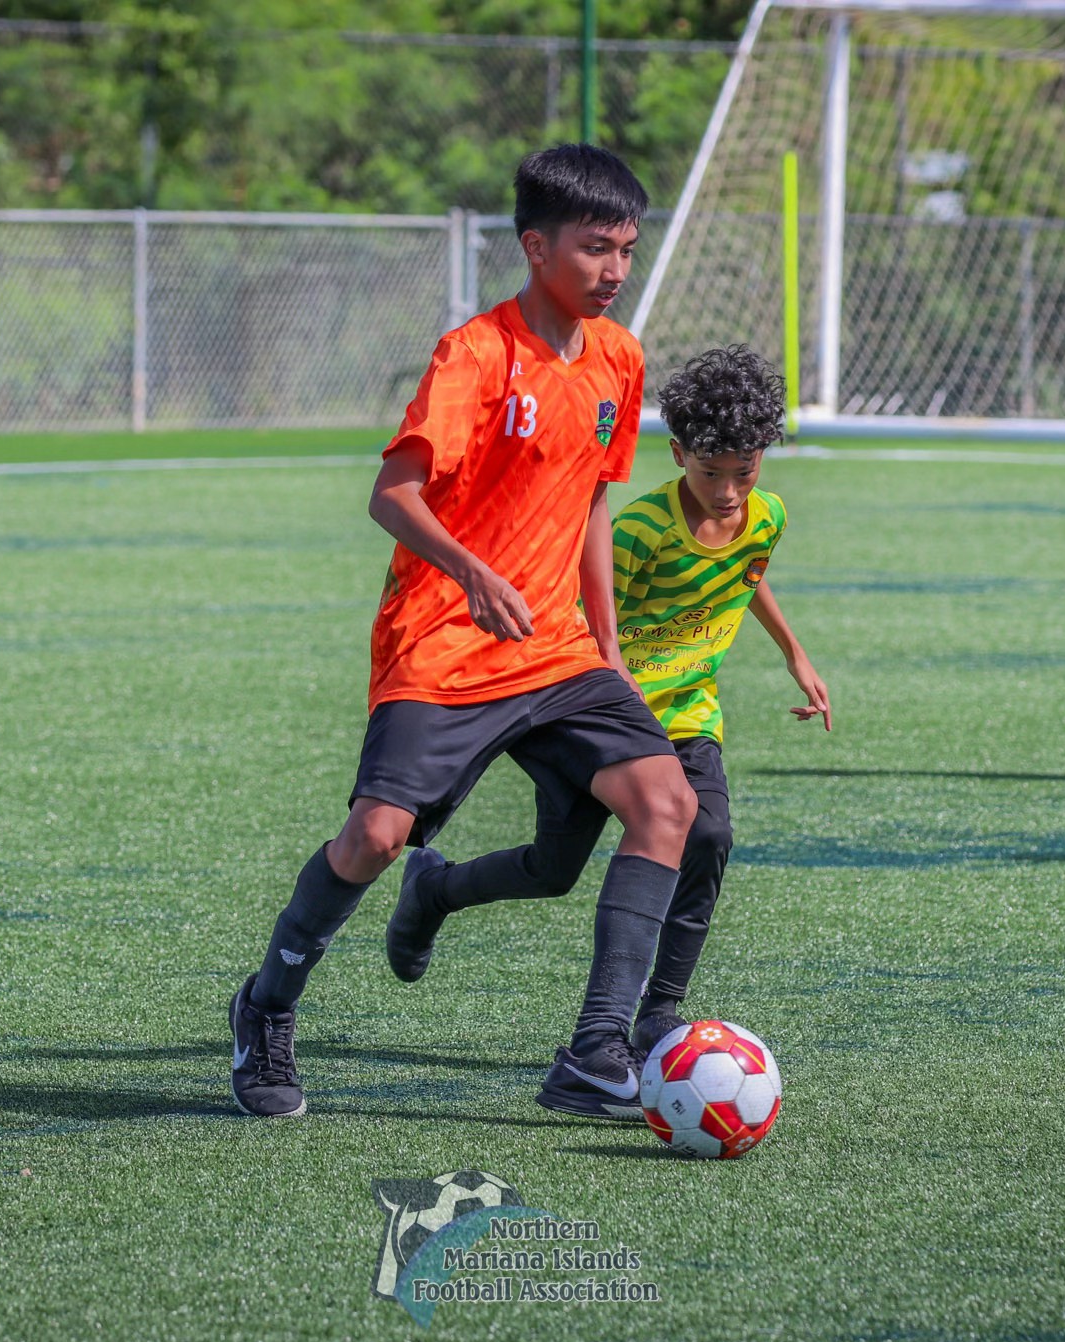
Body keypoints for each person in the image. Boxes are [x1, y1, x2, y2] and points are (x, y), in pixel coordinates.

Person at [229, 144, 697, 1119]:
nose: (613, 269)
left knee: (667, 805)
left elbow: (592, 509)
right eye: (593, 249)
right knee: (374, 836)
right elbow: (389, 495)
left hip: (557, 651)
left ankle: (594, 1054)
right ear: (535, 246)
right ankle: (266, 1009)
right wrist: (471, 571)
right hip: (443, 635)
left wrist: (608, 654)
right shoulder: (474, 355)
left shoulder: (618, 357)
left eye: (624, 250)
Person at [383, 345, 831, 1118]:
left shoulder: (768, 516)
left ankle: (658, 1013)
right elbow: (582, 616)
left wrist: (795, 654)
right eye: (711, 472)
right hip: (600, 716)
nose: (728, 492)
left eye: (745, 471)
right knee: (555, 868)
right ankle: (436, 887)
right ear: (678, 453)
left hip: (687, 715)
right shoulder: (638, 531)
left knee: (710, 831)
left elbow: (747, 576)